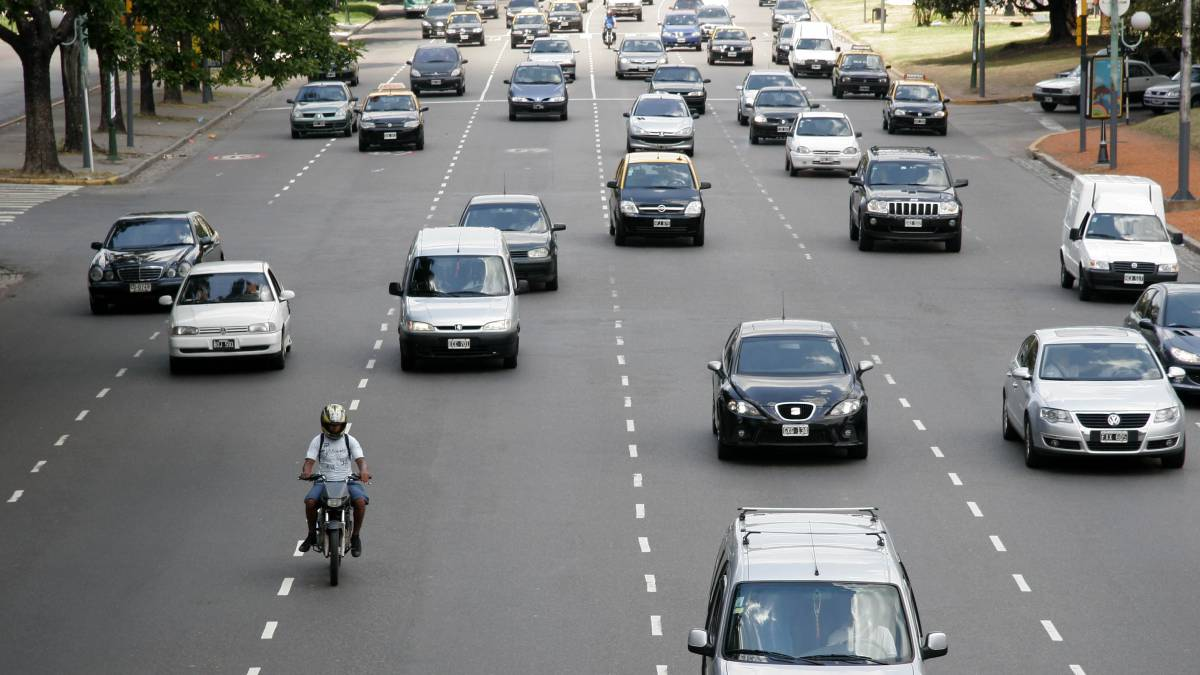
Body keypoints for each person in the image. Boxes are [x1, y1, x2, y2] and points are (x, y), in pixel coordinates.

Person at [299, 404, 372, 557]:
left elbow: (360, 460)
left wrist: (364, 471)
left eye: (338, 425)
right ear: (325, 425)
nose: (335, 428)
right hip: (323, 481)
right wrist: (307, 472)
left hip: (347, 481)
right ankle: (311, 534)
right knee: (310, 502)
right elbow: (309, 461)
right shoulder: (317, 441)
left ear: (343, 425)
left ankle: (356, 537)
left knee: (360, 502)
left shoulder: (349, 440)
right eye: (331, 425)